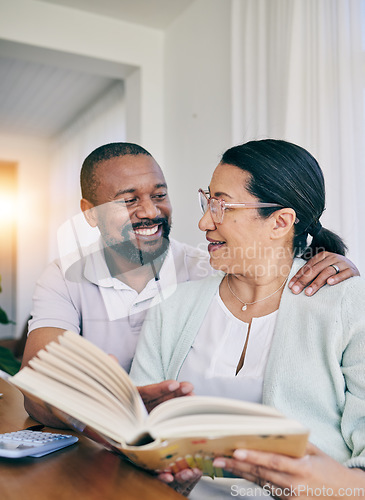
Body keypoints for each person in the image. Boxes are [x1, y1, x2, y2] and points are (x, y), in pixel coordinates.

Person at [22, 142, 357, 427]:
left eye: (160, 194)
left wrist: (338, 269)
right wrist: (112, 410)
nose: (150, 211)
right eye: (128, 200)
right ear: (91, 213)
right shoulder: (68, 277)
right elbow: (39, 385)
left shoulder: (205, 265)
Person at [130, 139, 365, 498]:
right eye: (208, 202)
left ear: (280, 222)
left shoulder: (346, 306)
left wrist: (333, 489)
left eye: (221, 205)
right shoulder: (173, 307)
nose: (204, 220)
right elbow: (136, 430)